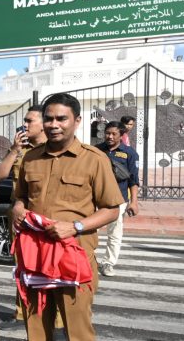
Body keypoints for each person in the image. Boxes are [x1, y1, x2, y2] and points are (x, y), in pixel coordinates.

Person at [12, 93, 123, 340]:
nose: (54, 125)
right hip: (36, 257)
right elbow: (20, 196)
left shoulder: (94, 159)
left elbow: (112, 209)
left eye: (61, 118)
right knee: (37, 328)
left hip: (75, 258)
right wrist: (17, 208)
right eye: (49, 119)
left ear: (77, 121)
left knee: (77, 331)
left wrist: (76, 226)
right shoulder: (30, 157)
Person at [0, 105, 60, 331]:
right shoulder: (21, 150)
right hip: (20, 218)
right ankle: (21, 314)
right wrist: (13, 150)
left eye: (29, 120)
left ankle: (57, 320)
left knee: (50, 269)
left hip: (44, 219)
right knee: (21, 267)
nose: (25, 124)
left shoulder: (54, 149)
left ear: (43, 124)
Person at [95, 121, 140, 277]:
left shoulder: (130, 153)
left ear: (122, 135)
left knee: (114, 233)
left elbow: (134, 180)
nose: (110, 136)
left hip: (118, 199)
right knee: (88, 229)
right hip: (95, 198)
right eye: (108, 133)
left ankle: (108, 263)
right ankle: (88, 259)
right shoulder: (96, 150)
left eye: (114, 134)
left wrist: (133, 202)